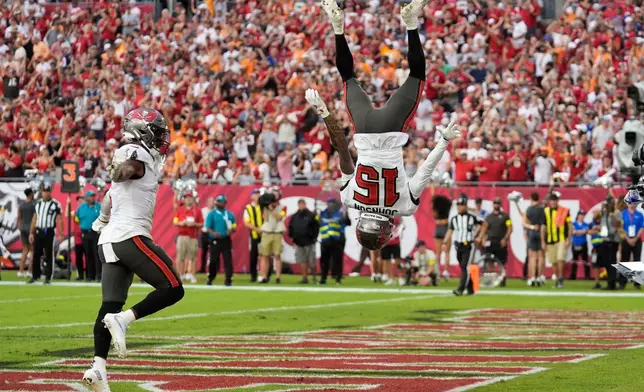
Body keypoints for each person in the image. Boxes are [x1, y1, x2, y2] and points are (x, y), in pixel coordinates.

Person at [307, 0, 460, 251]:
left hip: (391, 130)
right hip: (364, 129)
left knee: (417, 74)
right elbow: (342, 148)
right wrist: (324, 113)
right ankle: (337, 28)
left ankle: (411, 23)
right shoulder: (350, 200)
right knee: (348, 77)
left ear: (385, 230)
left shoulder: (404, 207)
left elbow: (426, 170)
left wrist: (443, 142)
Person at [82, 108, 184, 391]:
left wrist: (101, 219)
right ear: (144, 130)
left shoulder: (136, 153)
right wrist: (119, 169)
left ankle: (98, 368)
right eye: (158, 131)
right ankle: (124, 320)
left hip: (110, 239)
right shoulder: (135, 153)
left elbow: (111, 192)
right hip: (130, 236)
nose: (163, 137)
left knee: (109, 305)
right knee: (173, 288)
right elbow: (128, 170)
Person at [443, 195, 483, 296]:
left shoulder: (472, 217)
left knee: (465, 266)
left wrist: (479, 236)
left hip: (468, 245)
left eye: (462, 205)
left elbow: (484, 224)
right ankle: (470, 289)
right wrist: (444, 242)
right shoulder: (454, 219)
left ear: (466, 206)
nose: (460, 207)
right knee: (463, 267)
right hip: (458, 246)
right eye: (458, 205)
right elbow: (449, 231)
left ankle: (460, 289)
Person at [27, 183, 63, 285]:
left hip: (49, 230)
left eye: (47, 191)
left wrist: (61, 233)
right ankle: (35, 276)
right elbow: (34, 219)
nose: (45, 193)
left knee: (48, 254)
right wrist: (31, 233)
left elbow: (59, 219)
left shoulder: (55, 204)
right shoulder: (38, 203)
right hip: (39, 230)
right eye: (44, 191)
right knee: (36, 254)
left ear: (50, 192)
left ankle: (48, 277)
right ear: (41, 192)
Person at [478, 197, 512, 287]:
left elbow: (509, 228)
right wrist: (481, 238)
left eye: (498, 203)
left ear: (500, 204)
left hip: (500, 241)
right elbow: (484, 228)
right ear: (493, 204)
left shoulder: (505, 216)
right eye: (495, 203)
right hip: (491, 241)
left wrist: (505, 238)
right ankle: (491, 279)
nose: (496, 204)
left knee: (502, 262)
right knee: (490, 262)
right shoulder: (489, 217)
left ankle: (502, 279)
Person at [541, 193, 572, 289]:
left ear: (558, 201)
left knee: (560, 258)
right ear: (550, 201)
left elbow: (570, 226)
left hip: (561, 238)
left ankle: (561, 278)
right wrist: (543, 241)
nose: (553, 202)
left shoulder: (564, 211)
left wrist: (569, 239)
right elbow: (543, 227)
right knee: (553, 261)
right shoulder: (546, 211)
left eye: (555, 200)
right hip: (550, 240)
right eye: (552, 200)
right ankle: (558, 277)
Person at [205, 195, 237, 286]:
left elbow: (234, 226)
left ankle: (228, 279)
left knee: (228, 260)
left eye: (222, 201)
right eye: (219, 201)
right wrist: (214, 233)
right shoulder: (212, 214)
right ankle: (211, 277)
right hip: (215, 239)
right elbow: (207, 227)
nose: (220, 203)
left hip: (226, 239)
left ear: (225, 203)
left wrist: (232, 230)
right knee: (213, 260)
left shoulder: (230, 214)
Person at [173, 193, 203, 284]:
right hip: (182, 235)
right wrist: (181, 223)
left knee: (193, 257)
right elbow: (175, 221)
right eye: (186, 198)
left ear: (193, 200)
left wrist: (194, 224)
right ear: (184, 200)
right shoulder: (180, 209)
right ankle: (180, 275)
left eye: (190, 198)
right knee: (180, 257)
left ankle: (192, 275)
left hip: (193, 236)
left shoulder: (197, 210)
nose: (188, 200)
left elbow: (201, 223)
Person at [288, 199, 320, 284]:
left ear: (305, 204)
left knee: (312, 261)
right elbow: (291, 227)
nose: (301, 205)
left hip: (309, 241)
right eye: (300, 204)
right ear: (298, 205)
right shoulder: (295, 216)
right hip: (298, 242)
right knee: (302, 261)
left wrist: (314, 238)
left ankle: (314, 278)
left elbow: (316, 227)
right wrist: (292, 237)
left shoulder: (311, 215)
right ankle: (304, 278)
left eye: (303, 204)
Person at [75, 190, 102, 282]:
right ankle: (90, 275)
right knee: (88, 254)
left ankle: (98, 275)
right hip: (85, 233)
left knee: (96, 254)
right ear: (86, 198)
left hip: (96, 232)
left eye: (93, 196)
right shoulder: (81, 208)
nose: (92, 198)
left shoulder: (98, 206)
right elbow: (77, 217)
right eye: (90, 196)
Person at [319, 198, 346, 285]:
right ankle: (323, 279)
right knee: (324, 261)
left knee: (337, 260)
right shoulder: (322, 213)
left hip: (335, 240)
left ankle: (338, 278)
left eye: (332, 203)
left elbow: (344, 222)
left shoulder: (339, 213)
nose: (330, 205)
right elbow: (317, 221)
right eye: (329, 203)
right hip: (325, 240)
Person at [524, 192, 546, 286]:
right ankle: (540, 276)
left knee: (532, 257)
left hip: (532, 232)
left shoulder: (529, 209)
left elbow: (524, 222)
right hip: (542, 232)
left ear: (531, 198)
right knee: (541, 257)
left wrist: (532, 227)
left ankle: (533, 277)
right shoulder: (543, 209)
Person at [621, 200, 644, 288]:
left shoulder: (640, 214)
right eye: (630, 203)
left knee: (637, 261)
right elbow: (621, 227)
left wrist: (635, 238)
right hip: (626, 239)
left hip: (636, 239)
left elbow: (642, 227)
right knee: (624, 260)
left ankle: (637, 283)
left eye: (634, 203)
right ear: (627, 204)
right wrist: (627, 238)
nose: (632, 205)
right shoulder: (623, 214)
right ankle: (622, 282)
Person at [243, 189, 262, 282]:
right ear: (251, 196)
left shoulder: (263, 206)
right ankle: (253, 275)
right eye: (255, 194)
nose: (257, 196)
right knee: (253, 255)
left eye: (258, 194)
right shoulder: (248, 207)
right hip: (254, 234)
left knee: (265, 255)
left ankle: (265, 274)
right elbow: (246, 222)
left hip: (264, 234)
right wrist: (257, 229)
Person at [17, 188, 35, 278]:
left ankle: (20, 271)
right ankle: (29, 271)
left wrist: (20, 228)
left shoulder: (21, 205)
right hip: (30, 229)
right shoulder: (33, 205)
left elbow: (19, 218)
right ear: (31, 194)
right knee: (32, 251)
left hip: (23, 228)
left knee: (24, 250)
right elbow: (35, 218)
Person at [380, 216, 403, 286]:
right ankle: (391, 278)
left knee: (397, 261)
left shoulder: (396, 215)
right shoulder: (382, 214)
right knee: (387, 261)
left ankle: (401, 278)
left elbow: (401, 224)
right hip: (384, 242)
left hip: (395, 241)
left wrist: (395, 233)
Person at [570, 210, 591, 280]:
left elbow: (586, 231)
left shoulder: (586, 224)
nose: (582, 217)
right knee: (574, 260)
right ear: (578, 216)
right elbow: (572, 232)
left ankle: (587, 276)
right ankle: (573, 275)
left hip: (583, 244)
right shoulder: (574, 224)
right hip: (575, 244)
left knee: (585, 260)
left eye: (583, 215)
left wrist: (577, 232)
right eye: (581, 215)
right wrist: (581, 231)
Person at [199, 197, 215, 274]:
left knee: (214, 252)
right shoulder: (203, 211)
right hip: (205, 233)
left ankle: (214, 269)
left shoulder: (216, 211)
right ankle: (203, 268)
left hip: (213, 233)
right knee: (204, 252)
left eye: (212, 202)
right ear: (207, 202)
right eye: (210, 201)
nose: (211, 203)